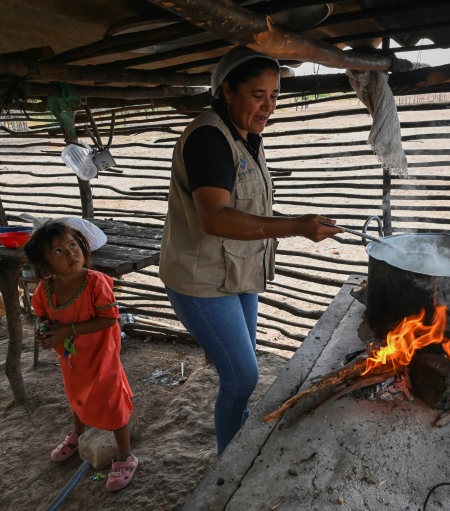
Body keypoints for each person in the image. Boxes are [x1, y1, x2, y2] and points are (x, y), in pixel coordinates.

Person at [159, 46, 343, 454]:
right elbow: (216, 218)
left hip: (237, 271)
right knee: (242, 376)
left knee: (242, 372)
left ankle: (238, 442)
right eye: (258, 94)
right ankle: (229, 464)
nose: (269, 106)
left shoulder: (247, 137)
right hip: (201, 279)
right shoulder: (209, 138)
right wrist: (297, 226)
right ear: (227, 91)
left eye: (275, 96)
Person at [24, 221, 137, 491]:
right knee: (77, 393)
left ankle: (125, 456)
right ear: (45, 263)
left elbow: (110, 319)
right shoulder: (45, 289)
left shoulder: (94, 282)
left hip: (101, 354)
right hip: (72, 357)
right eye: (59, 251)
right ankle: (78, 433)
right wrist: (44, 330)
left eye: (73, 245)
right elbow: (39, 314)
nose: (71, 253)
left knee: (110, 398)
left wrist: (67, 330)